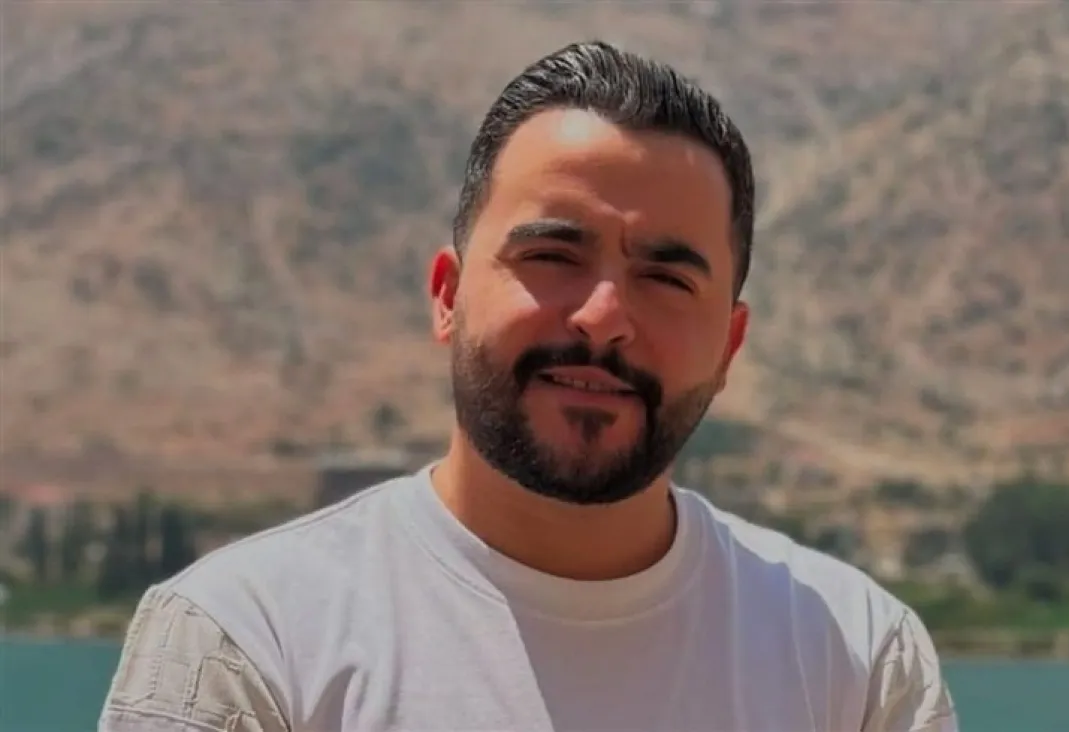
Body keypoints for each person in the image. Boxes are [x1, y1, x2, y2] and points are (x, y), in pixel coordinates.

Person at [99, 40, 959, 732]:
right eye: (552, 256)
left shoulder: (854, 661)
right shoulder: (248, 640)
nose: (603, 318)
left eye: (666, 279)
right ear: (447, 295)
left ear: (730, 345)